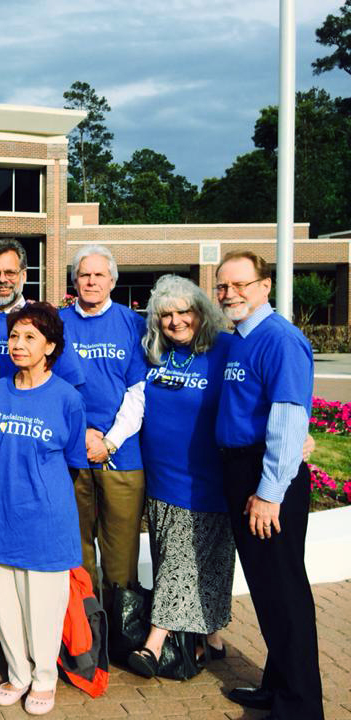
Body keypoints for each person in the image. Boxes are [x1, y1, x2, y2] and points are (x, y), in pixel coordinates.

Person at [0, 239, 85, 661]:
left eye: (10, 272)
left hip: (30, 450)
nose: (2, 280)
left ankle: (48, 639)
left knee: (32, 552)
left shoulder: (43, 321)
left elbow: (68, 389)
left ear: (24, 275)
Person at [214, 251, 323, 720]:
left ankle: (299, 708)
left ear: (264, 286)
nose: (229, 294)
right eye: (223, 286)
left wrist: (269, 493)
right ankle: (277, 687)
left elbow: (288, 416)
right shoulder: (241, 338)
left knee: (285, 594)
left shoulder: (280, 339)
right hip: (243, 471)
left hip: (265, 478)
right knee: (268, 591)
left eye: (240, 284)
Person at [123, 275, 235, 678]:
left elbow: (258, 392)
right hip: (160, 478)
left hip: (205, 479)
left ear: (200, 312)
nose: (176, 321)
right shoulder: (156, 354)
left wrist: (297, 430)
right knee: (182, 559)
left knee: (182, 561)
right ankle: (212, 637)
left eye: (184, 312)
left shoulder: (226, 350)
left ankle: (154, 644)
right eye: (166, 315)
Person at [0, 302, 87, 715]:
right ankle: (18, 674)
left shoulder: (67, 398)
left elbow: (74, 460)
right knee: (6, 605)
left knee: (43, 606)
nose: (18, 344)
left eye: (29, 337)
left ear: (51, 346)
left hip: (46, 519)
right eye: (13, 336)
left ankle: (44, 678)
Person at [59, 244, 146, 603]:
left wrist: (109, 441)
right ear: (75, 281)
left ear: (112, 280)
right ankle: (86, 625)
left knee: (120, 552)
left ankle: (123, 625)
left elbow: (138, 391)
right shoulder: (57, 324)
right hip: (71, 451)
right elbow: (49, 386)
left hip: (120, 455)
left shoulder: (133, 324)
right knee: (76, 549)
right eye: (84, 275)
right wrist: (80, 435)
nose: (91, 281)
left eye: (99, 275)